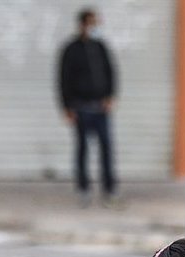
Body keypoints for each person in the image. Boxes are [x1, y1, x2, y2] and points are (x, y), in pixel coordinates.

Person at [58, 7, 117, 205]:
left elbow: (111, 72)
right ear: (83, 24)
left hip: (100, 108)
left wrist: (110, 96)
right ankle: (84, 189)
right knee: (82, 150)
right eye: (92, 23)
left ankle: (109, 190)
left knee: (106, 149)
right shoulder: (71, 49)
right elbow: (63, 79)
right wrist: (67, 107)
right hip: (80, 108)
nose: (95, 27)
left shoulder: (100, 47)